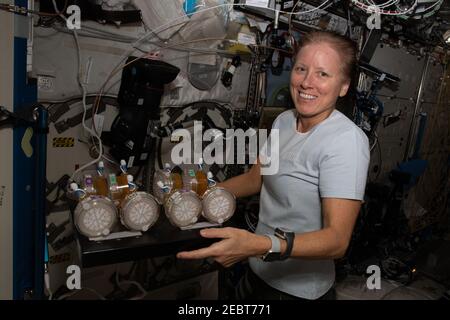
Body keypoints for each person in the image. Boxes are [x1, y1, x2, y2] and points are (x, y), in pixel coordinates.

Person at [177, 30, 370, 300]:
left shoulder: (346, 141)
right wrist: (199, 196)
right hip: (257, 273)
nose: (306, 82)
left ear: (344, 86)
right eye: (301, 69)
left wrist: (257, 245)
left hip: (298, 292)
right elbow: (256, 178)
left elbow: (337, 240)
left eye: (322, 74)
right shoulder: (284, 121)